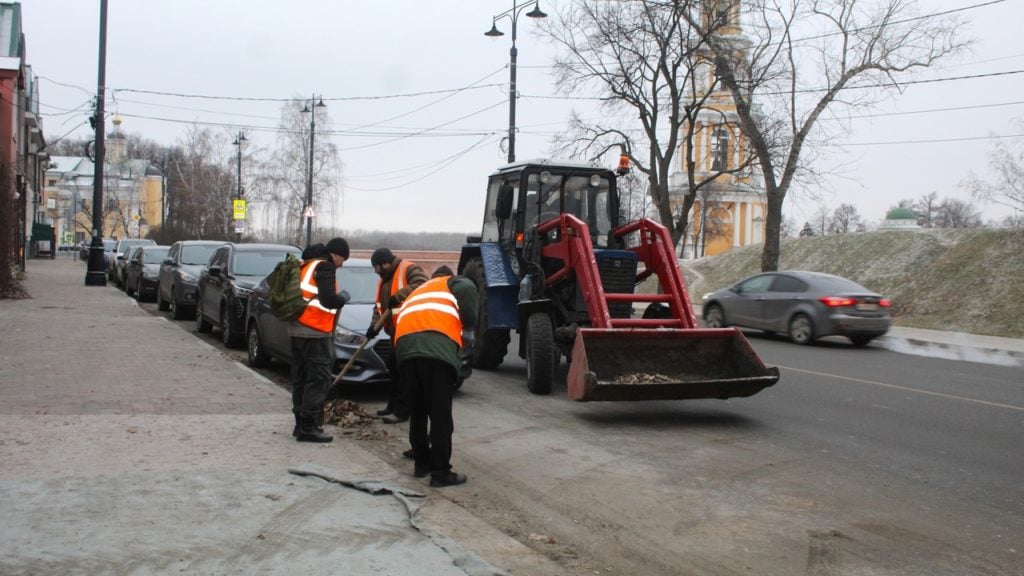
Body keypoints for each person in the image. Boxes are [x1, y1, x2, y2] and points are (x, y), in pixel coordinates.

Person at [394, 264, 477, 487]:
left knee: (418, 412)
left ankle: (421, 465)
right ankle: (440, 472)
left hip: (405, 350)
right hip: (435, 351)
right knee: (440, 415)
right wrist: (469, 327)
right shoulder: (450, 283)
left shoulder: (419, 290)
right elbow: (467, 286)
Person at [290, 237, 350, 443]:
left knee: (301, 378)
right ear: (336, 255)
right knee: (318, 379)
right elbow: (328, 300)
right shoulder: (325, 267)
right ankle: (308, 427)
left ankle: (300, 424)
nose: (342, 264)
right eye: (343, 259)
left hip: (297, 329)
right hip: (315, 331)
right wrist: (343, 297)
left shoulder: (306, 265)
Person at [366, 247, 428, 424]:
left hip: (409, 332)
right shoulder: (384, 280)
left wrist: (398, 296)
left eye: (376, 267)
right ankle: (392, 406)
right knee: (393, 371)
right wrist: (373, 328)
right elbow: (380, 307)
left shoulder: (408, 269)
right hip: (395, 333)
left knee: (404, 374)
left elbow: (423, 283)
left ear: (385, 263)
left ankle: (402, 411)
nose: (375, 271)